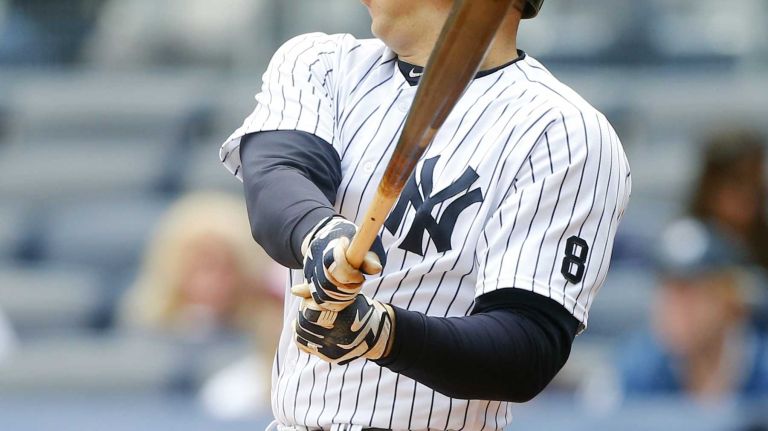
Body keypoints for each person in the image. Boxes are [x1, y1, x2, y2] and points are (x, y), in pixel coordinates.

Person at [220, 0, 631, 429]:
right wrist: (320, 236)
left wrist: (381, 332)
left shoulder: (561, 130)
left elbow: (526, 347)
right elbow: (276, 174)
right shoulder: (322, 63)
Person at [120, 192, 283, 414]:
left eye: (225, 267)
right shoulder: (142, 330)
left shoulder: (269, 337)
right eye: (198, 266)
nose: (211, 281)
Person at [620, 219, 768, 401]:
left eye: (692, 292)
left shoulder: (762, 368)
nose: (677, 308)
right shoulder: (637, 368)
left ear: (729, 300)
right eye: (668, 290)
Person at [688, 129, 768, 272]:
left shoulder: (758, 243)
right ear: (710, 187)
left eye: (756, 179)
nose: (749, 191)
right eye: (738, 180)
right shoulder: (691, 243)